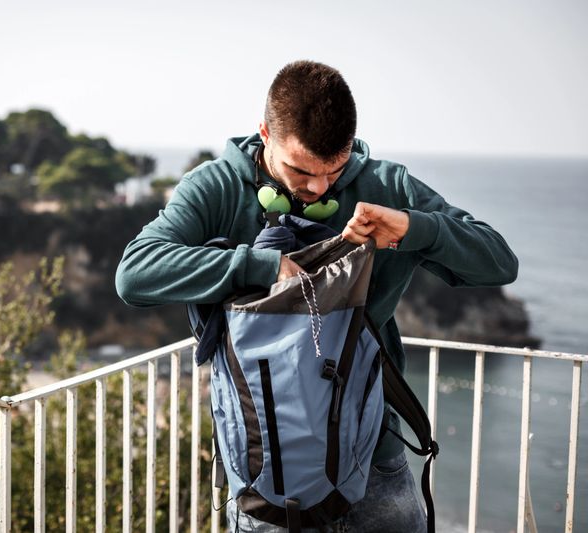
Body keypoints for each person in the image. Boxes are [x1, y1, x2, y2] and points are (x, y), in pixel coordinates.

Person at [115, 60, 518, 532]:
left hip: (375, 461)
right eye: (301, 170)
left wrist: (414, 228)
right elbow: (134, 274)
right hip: (266, 470)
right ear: (265, 133)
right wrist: (261, 266)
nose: (319, 187)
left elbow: (499, 262)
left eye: (335, 170)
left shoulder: (387, 185)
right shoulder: (217, 187)